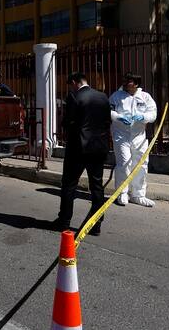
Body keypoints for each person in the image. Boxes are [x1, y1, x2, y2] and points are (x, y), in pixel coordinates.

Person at [54, 72, 111, 236]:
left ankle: (64, 221)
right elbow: (107, 122)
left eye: (70, 84)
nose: (71, 87)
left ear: (74, 82)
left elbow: (67, 123)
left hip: (78, 149)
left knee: (69, 185)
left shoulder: (74, 97)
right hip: (98, 148)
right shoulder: (103, 97)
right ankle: (96, 225)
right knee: (97, 187)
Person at [109, 73, 158, 207]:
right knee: (124, 163)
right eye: (124, 80)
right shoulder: (116, 96)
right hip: (121, 136)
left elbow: (153, 113)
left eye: (128, 81)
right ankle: (122, 193)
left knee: (141, 164)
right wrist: (118, 117)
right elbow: (109, 110)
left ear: (136, 84)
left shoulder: (145, 97)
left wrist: (142, 117)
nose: (125, 83)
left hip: (139, 137)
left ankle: (138, 194)